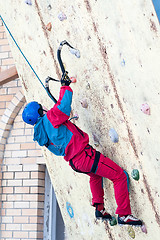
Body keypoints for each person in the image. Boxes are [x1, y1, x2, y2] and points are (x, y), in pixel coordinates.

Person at [22, 74, 143, 226]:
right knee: (119, 176)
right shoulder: (49, 118)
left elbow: (61, 131)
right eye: (42, 108)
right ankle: (124, 215)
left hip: (75, 162)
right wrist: (65, 86)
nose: (45, 108)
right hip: (85, 155)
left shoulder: (42, 136)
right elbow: (63, 108)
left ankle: (99, 209)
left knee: (95, 176)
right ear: (40, 112)